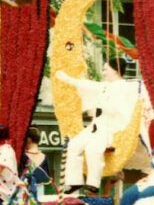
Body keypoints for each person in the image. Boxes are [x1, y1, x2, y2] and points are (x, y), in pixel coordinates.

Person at [56, 57, 140, 194]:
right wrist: (67, 79)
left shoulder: (124, 87)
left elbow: (117, 109)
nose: (103, 72)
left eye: (106, 69)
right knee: (74, 145)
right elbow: (88, 85)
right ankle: (74, 181)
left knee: (92, 149)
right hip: (97, 125)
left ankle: (93, 183)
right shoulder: (105, 86)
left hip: (110, 128)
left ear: (115, 70)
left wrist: (99, 103)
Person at [22, 126, 51, 199]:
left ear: (28, 139)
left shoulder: (23, 156)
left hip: (24, 191)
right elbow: (47, 178)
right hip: (41, 192)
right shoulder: (45, 157)